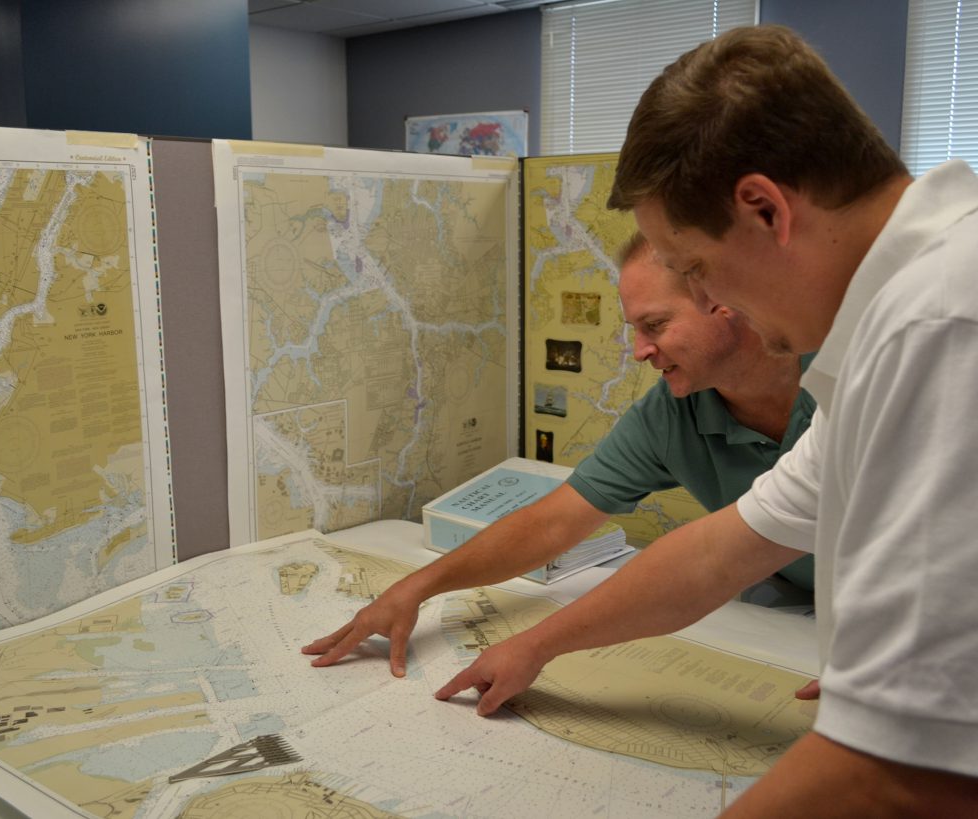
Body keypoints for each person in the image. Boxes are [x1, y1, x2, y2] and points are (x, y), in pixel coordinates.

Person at [422, 24, 978, 815]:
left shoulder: (940, 324)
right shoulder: (901, 323)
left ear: (763, 209)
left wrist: (895, 699)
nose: (713, 299)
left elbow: (902, 775)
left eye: (694, 268)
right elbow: (723, 551)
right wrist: (536, 644)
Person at [303, 230, 816, 675]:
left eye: (655, 325)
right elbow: (553, 523)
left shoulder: (851, 383)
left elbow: (706, 563)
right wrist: (416, 588)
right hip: (800, 615)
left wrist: (535, 646)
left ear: (722, 299)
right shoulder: (672, 413)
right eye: (634, 329)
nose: (639, 351)